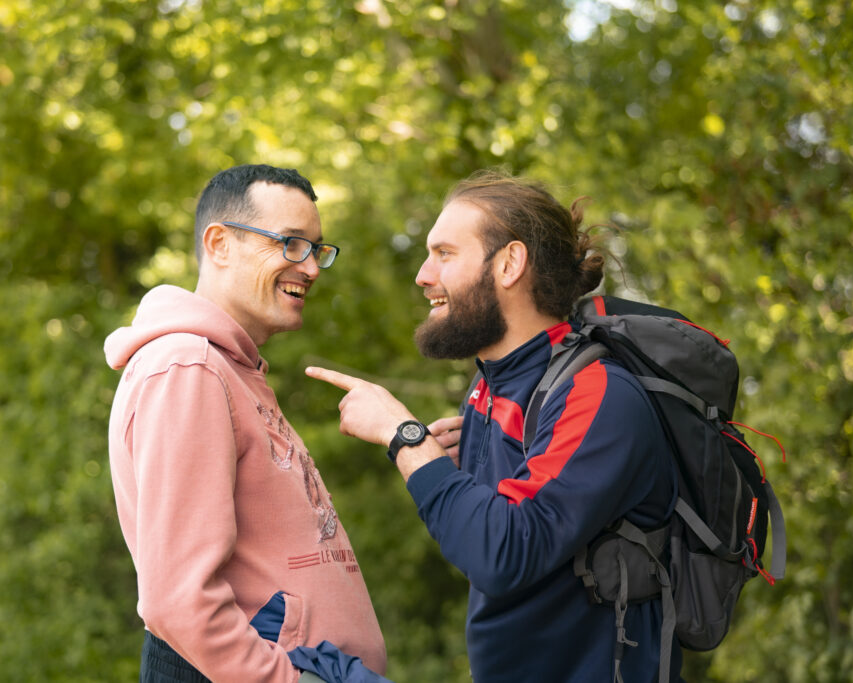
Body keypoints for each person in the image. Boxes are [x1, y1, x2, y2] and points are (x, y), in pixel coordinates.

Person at [306, 170, 682, 682]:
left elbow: (501, 553)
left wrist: (406, 437)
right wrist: (449, 465)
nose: (423, 275)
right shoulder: (489, 387)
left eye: (444, 253)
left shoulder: (599, 395)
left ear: (509, 264)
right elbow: (482, 541)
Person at [105, 164, 387, 682]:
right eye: (291, 243)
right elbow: (178, 599)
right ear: (219, 244)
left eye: (316, 249)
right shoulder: (188, 367)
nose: (312, 267)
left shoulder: (227, 369)